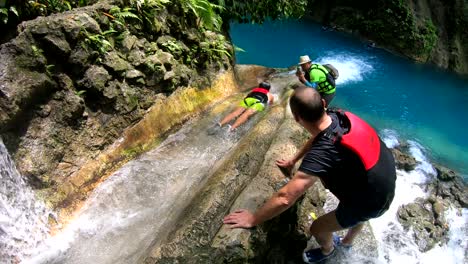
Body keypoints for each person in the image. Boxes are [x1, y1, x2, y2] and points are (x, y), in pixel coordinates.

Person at [223, 85, 396, 263]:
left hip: (370, 202)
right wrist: (293, 160)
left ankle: (328, 250)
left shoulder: (323, 152)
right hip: (385, 176)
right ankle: (347, 241)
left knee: (317, 228)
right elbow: (318, 136)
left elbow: (285, 197)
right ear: (322, 104)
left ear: (297, 118)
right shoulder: (336, 115)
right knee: (358, 214)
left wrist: (253, 219)